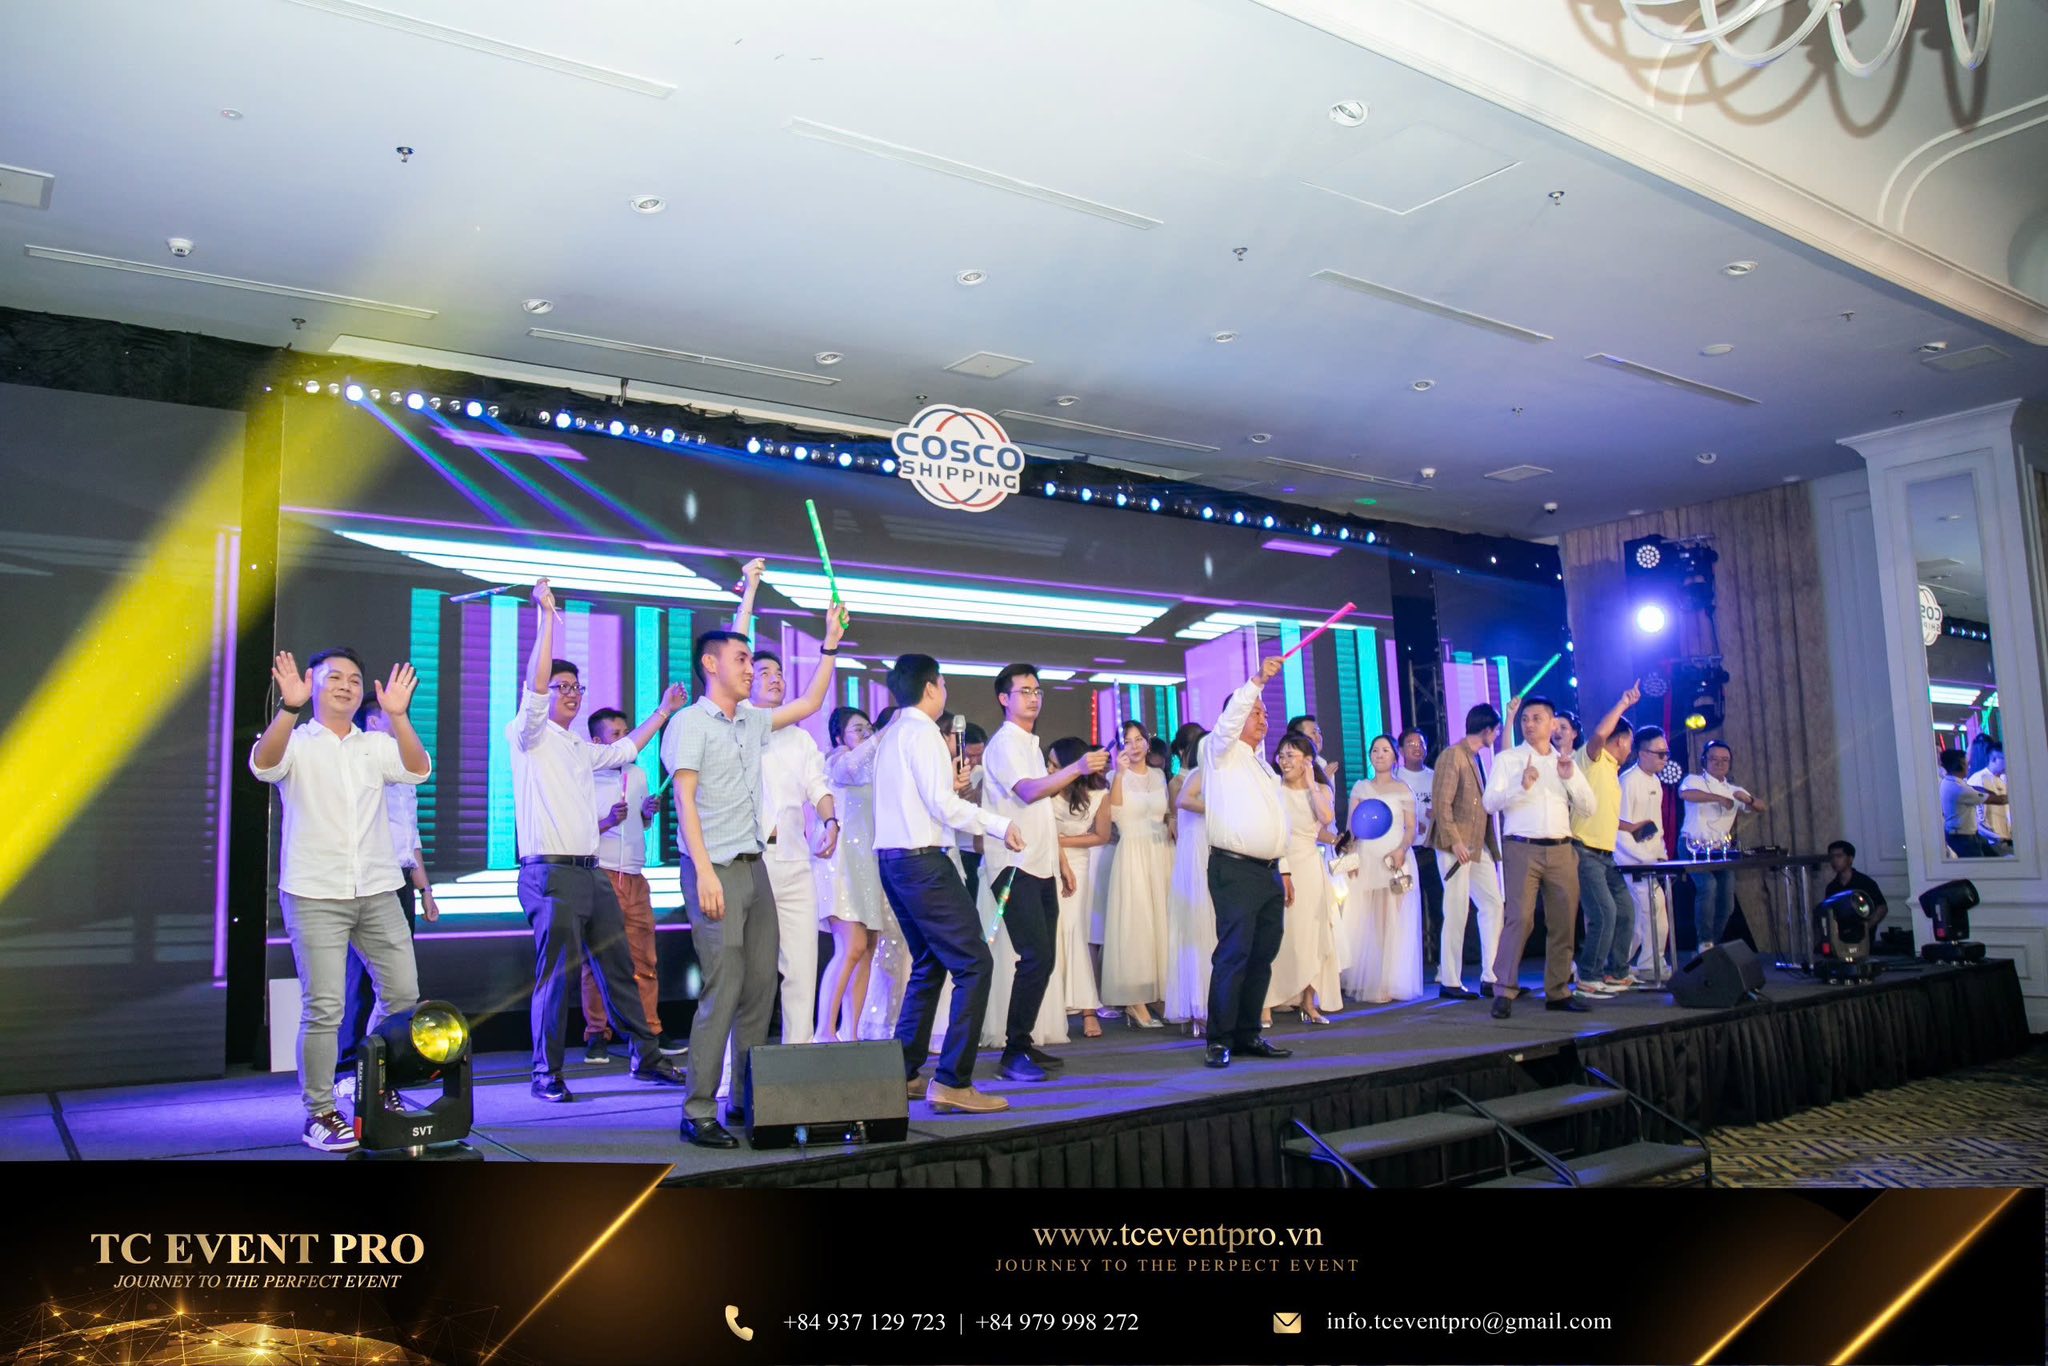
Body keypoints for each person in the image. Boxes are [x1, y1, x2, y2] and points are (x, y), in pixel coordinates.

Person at [666, 599, 846, 1148]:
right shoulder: (689, 723)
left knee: (760, 987)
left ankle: (746, 1098)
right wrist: (704, 873)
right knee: (723, 987)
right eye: (742, 660)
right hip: (714, 869)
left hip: (756, 869)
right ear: (711, 665)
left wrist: (830, 643)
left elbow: (811, 701)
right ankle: (698, 1109)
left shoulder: (752, 723)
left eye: (752, 661)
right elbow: (684, 801)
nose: (752, 669)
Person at [510, 582, 688, 1105]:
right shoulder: (528, 734)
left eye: (576, 687)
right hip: (549, 873)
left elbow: (626, 749)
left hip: (591, 872)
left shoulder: (580, 747)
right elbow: (535, 686)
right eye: (562, 685)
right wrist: (546, 618)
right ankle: (546, 1072)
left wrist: (663, 712)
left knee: (620, 969)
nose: (571, 692)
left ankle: (645, 1057)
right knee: (555, 976)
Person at [252, 648, 430, 1153]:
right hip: (314, 892)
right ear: (312, 683)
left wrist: (398, 716)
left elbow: (418, 769)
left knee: (403, 996)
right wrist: (288, 708)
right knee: (324, 1007)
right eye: (335, 677)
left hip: (377, 889)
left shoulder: (375, 744)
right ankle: (319, 1111)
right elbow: (263, 765)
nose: (346, 686)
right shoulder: (297, 740)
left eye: (355, 678)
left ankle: (370, 1082)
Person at [875, 654, 1026, 1115]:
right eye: (942, 683)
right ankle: (952, 1081)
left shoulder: (893, 733)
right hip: (924, 863)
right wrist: (999, 825)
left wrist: (951, 789)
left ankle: (901, 1072)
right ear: (930, 687)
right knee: (975, 964)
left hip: (895, 862)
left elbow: (927, 801)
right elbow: (941, 806)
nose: (945, 691)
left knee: (929, 964)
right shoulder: (923, 733)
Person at [976, 664, 1108, 1080]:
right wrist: (1077, 768)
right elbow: (1029, 791)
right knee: (1035, 956)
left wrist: (1060, 863)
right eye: (1025, 691)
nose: (1034, 698)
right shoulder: (1004, 744)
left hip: (1040, 865)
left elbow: (1041, 816)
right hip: (1013, 866)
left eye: (1037, 691)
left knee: (1043, 958)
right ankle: (1012, 1054)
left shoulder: (1030, 745)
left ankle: (1022, 1043)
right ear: (1004, 698)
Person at [334, 694, 439, 1084]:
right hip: (368, 882)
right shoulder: (360, 763)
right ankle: (348, 1066)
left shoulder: (406, 768)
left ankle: (384, 1064)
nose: (403, 720)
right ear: (375, 722)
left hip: (400, 881)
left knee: (398, 982)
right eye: (395, 715)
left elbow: (410, 837)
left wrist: (425, 890)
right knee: (361, 980)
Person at [1199, 656, 1294, 1069]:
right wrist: (1256, 681)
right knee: (1234, 954)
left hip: (1268, 871)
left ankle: (1247, 1033)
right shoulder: (1219, 751)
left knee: (1261, 955)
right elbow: (1230, 720)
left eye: (1265, 713)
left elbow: (1278, 822)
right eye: (1255, 711)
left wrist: (1284, 869)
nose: (1262, 717)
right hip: (1235, 869)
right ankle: (1219, 1038)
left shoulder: (1264, 767)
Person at [1482, 695, 1595, 1017]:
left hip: (1561, 848)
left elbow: (1589, 808)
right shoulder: (1509, 759)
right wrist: (1521, 786)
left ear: (1553, 723)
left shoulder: (1564, 762)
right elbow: (1490, 803)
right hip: (1522, 847)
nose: (1529, 724)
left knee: (1564, 921)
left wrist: (1569, 777)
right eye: (1525, 719)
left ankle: (1558, 991)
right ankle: (1504, 989)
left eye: (1537, 718)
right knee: (1520, 918)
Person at [749, 648, 838, 1046]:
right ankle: (733, 1067)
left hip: (795, 861)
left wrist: (831, 820)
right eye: (764, 672)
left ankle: (798, 1057)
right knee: (750, 972)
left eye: (780, 672)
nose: (775, 678)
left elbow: (817, 785)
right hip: (752, 862)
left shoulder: (801, 738)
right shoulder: (740, 725)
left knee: (801, 968)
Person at [579, 708, 670, 1065]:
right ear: (597, 742)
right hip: (601, 874)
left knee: (644, 959)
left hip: (634, 873)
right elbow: (575, 830)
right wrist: (606, 822)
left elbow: (640, 825)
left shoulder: (638, 774)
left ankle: (649, 1033)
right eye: (616, 735)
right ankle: (596, 1034)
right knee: (597, 961)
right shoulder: (584, 775)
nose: (626, 740)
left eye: (626, 732)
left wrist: (647, 813)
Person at [1570, 683, 1644, 996]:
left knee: (1626, 910)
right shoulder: (1593, 758)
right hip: (1584, 851)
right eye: (1630, 743)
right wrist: (1623, 703)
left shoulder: (1613, 771)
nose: (1631, 750)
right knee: (1604, 913)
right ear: (1621, 740)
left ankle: (1617, 971)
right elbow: (1600, 734)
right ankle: (1589, 976)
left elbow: (1605, 815)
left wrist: (1631, 827)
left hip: (1605, 854)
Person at [1428, 704, 1505, 1000]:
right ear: (1486, 730)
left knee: (1493, 903)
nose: (1496, 736)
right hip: (1456, 846)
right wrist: (1455, 841)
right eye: (1495, 730)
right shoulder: (1453, 755)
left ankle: (1492, 976)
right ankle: (1450, 980)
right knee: (1457, 909)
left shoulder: (1476, 758)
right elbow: (1442, 803)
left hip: (1478, 844)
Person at [816, 706, 882, 1043]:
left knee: (867, 947)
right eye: (858, 729)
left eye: (869, 727)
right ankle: (824, 1031)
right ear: (839, 737)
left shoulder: (873, 766)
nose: (867, 734)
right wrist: (884, 733)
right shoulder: (837, 760)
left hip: (867, 864)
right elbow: (852, 767)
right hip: (841, 864)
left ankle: (850, 1032)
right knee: (851, 945)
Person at [1101, 726, 1173, 1028]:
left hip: (1161, 851)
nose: (1134, 746)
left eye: (1139, 739)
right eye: (1127, 742)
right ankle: (1135, 1000)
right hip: (1132, 851)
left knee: (1161, 924)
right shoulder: (1114, 776)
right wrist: (1119, 775)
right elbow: (1115, 815)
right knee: (1137, 923)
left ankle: (1157, 991)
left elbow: (1165, 813)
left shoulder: (1158, 775)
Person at [1268, 732, 1344, 1018]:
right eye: (1281, 755)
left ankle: (1308, 1001)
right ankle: (1270, 1000)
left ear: (1307, 760)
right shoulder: (1274, 787)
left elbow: (1326, 819)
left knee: (1312, 933)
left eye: (1291, 755)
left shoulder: (1321, 790)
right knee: (1281, 933)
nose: (1284, 761)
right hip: (1281, 863)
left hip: (1310, 865)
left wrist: (1312, 783)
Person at [1348, 734, 1425, 1005]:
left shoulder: (1404, 789)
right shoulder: (1360, 787)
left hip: (1395, 860)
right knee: (1373, 922)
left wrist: (1402, 850)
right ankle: (1375, 981)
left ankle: (1391, 980)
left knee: (1395, 920)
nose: (1379, 754)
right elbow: (1352, 828)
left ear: (1395, 756)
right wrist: (1351, 858)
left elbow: (1411, 828)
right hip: (1368, 857)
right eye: (1375, 750)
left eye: (1385, 750)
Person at [1050, 737, 1111, 1038]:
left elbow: (1101, 836)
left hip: (1078, 861)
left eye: (1054, 764)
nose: (1049, 769)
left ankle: (1088, 1009)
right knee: (1053, 931)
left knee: (1075, 929)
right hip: (1048, 862)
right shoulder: (1047, 790)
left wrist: (1062, 841)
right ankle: (1053, 1005)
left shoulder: (1099, 793)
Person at [1679, 740, 1766, 950]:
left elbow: (1761, 806)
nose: (1719, 763)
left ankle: (1711, 946)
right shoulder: (1694, 780)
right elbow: (1685, 794)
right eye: (1714, 759)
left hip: (1719, 850)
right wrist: (1719, 798)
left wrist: (1749, 799)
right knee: (1708, 886)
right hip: (1692, 846)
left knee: (1727, 902)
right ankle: (1704, 942)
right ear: (1704, 761)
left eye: (1725, 760)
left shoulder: (1734, 789)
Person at [1164, 727, 1213, 1035]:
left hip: (1210, 851)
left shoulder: (1215, 776)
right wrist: (1221, 807)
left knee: (1212, 929)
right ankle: (1198, 1004)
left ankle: (1210, 1004)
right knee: (1198, 927)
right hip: (1197, 856)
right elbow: (1183, 801)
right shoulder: (1197, 775)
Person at [1617, 726, 1673, 980]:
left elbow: (1655, 825)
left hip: (1650, 862)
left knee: (1645, 917)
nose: (1664, 758)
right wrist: (1640, 859)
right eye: (1659, 753)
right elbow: (1619, 826)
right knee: (1649, 913)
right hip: (1632, 863)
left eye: (1666, 753)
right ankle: (1649, 964)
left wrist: (1660, 855)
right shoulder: (1628, 781)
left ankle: (1618, 963)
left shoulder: (1656, 782)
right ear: (1641, 753)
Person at [1394, 729, 1443, 969]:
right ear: (1401, 750)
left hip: (1431, 851)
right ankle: (1406, 965)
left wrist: (1438, 816)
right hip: (1404, 855)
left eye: (1421, 743)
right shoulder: (1395, 778)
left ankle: (1444, 964)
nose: (1417, 747)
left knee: (1438, 907)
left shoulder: (1435, 777)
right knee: (1403, 908)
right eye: (1411, 743)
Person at [1939, 748, 2003, 858]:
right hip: (1964, 838)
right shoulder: (1959, 789)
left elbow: (1972, 788)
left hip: (1964, 835)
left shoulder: (1948, 782)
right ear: (1959, 765)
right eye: (1966, 764)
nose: (1968, 767)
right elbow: (1997, 800)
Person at [1821, 839, 1889, 937]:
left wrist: (1866, 928)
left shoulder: (1865, 882)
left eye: (1839, 856)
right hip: (1840, 937)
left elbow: (1882, 907)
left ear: (1850, 858)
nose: (1835, 861)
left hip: (1862, 938)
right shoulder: (1832, 887)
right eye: (1832, 857)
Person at [1969, 741, 2011, 854]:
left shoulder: (2005, 778)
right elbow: (1976, 819)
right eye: (2004, 758)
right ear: (1994, 759)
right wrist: (1997, 838)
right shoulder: (1977, 780)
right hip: (1992, 842)